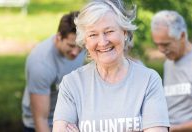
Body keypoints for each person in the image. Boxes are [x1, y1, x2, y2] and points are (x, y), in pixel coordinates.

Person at [52, 0, 170, 132]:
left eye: (109, 31)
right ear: (85, 41)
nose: (102, 42)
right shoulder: (71, 84)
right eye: (93, 35)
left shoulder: (148, 80)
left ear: (124, 32)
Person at [21, 11, 86, 132]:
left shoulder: (83, 46)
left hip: (69, 120)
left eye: (80, 46)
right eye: (71, 46)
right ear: (58, 37)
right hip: (44, 124)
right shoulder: (41, 63)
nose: (76, 52)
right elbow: (41, 118)